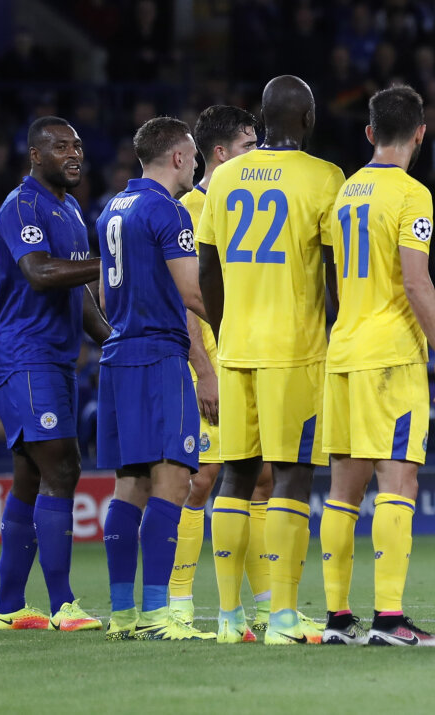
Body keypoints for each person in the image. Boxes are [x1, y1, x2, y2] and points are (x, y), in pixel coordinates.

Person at [198, 75, 345, 645]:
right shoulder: (324, 177)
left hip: (237, 348)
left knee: (234, 475)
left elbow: (207, 268)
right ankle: (283, 616)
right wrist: (338, 330)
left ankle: (229, 617)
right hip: (294, 351)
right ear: (307, 118)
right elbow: (333, 272)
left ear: (261, 120)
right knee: (291, 475)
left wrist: (224, 330)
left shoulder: (225, 176)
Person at [318, 85, 435, 647]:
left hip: (344, 350)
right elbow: (415, 279)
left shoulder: (345, 192)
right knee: (399, 479)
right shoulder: (412, 194)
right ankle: (390, 620)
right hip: (391, 356)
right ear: (420, 133)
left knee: (342, 492)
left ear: (370, 132)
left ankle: (337, 620)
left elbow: (331, 275)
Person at [0, 116, 108, 633]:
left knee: (32, 474)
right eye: (60, 147)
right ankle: (63, 606)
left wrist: (112, 338)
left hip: (53, 357)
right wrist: (111, 261)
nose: (74, 153)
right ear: (36, 155)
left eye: (77, 145)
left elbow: (76, 294)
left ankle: (9, 607)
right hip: (24, 354)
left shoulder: (72, 210)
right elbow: (39, 272)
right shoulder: (22, 206)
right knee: (63, 466)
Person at [95, 117, 212, 641]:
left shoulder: (111, 209)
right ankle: (160, 616)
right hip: (160, 357)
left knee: (131, 484)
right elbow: (192, 292)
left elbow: (104, 297)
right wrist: (238, 322)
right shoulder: (169, 210)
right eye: (193, 156)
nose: (195, 165)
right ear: (179, 157)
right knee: (173, 480)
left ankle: (123, 616)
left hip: (118, 356)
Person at [168, 105, 275, 638]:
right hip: (208, 362)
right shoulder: (188, 207)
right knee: (202, 479)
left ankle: (267, 607)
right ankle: (178, 603)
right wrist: (204, 369)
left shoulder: (246, 203)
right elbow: (186, 298)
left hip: (249, 357)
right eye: (249, 146)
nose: (257, 154)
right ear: (220, 152)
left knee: (262, 478)